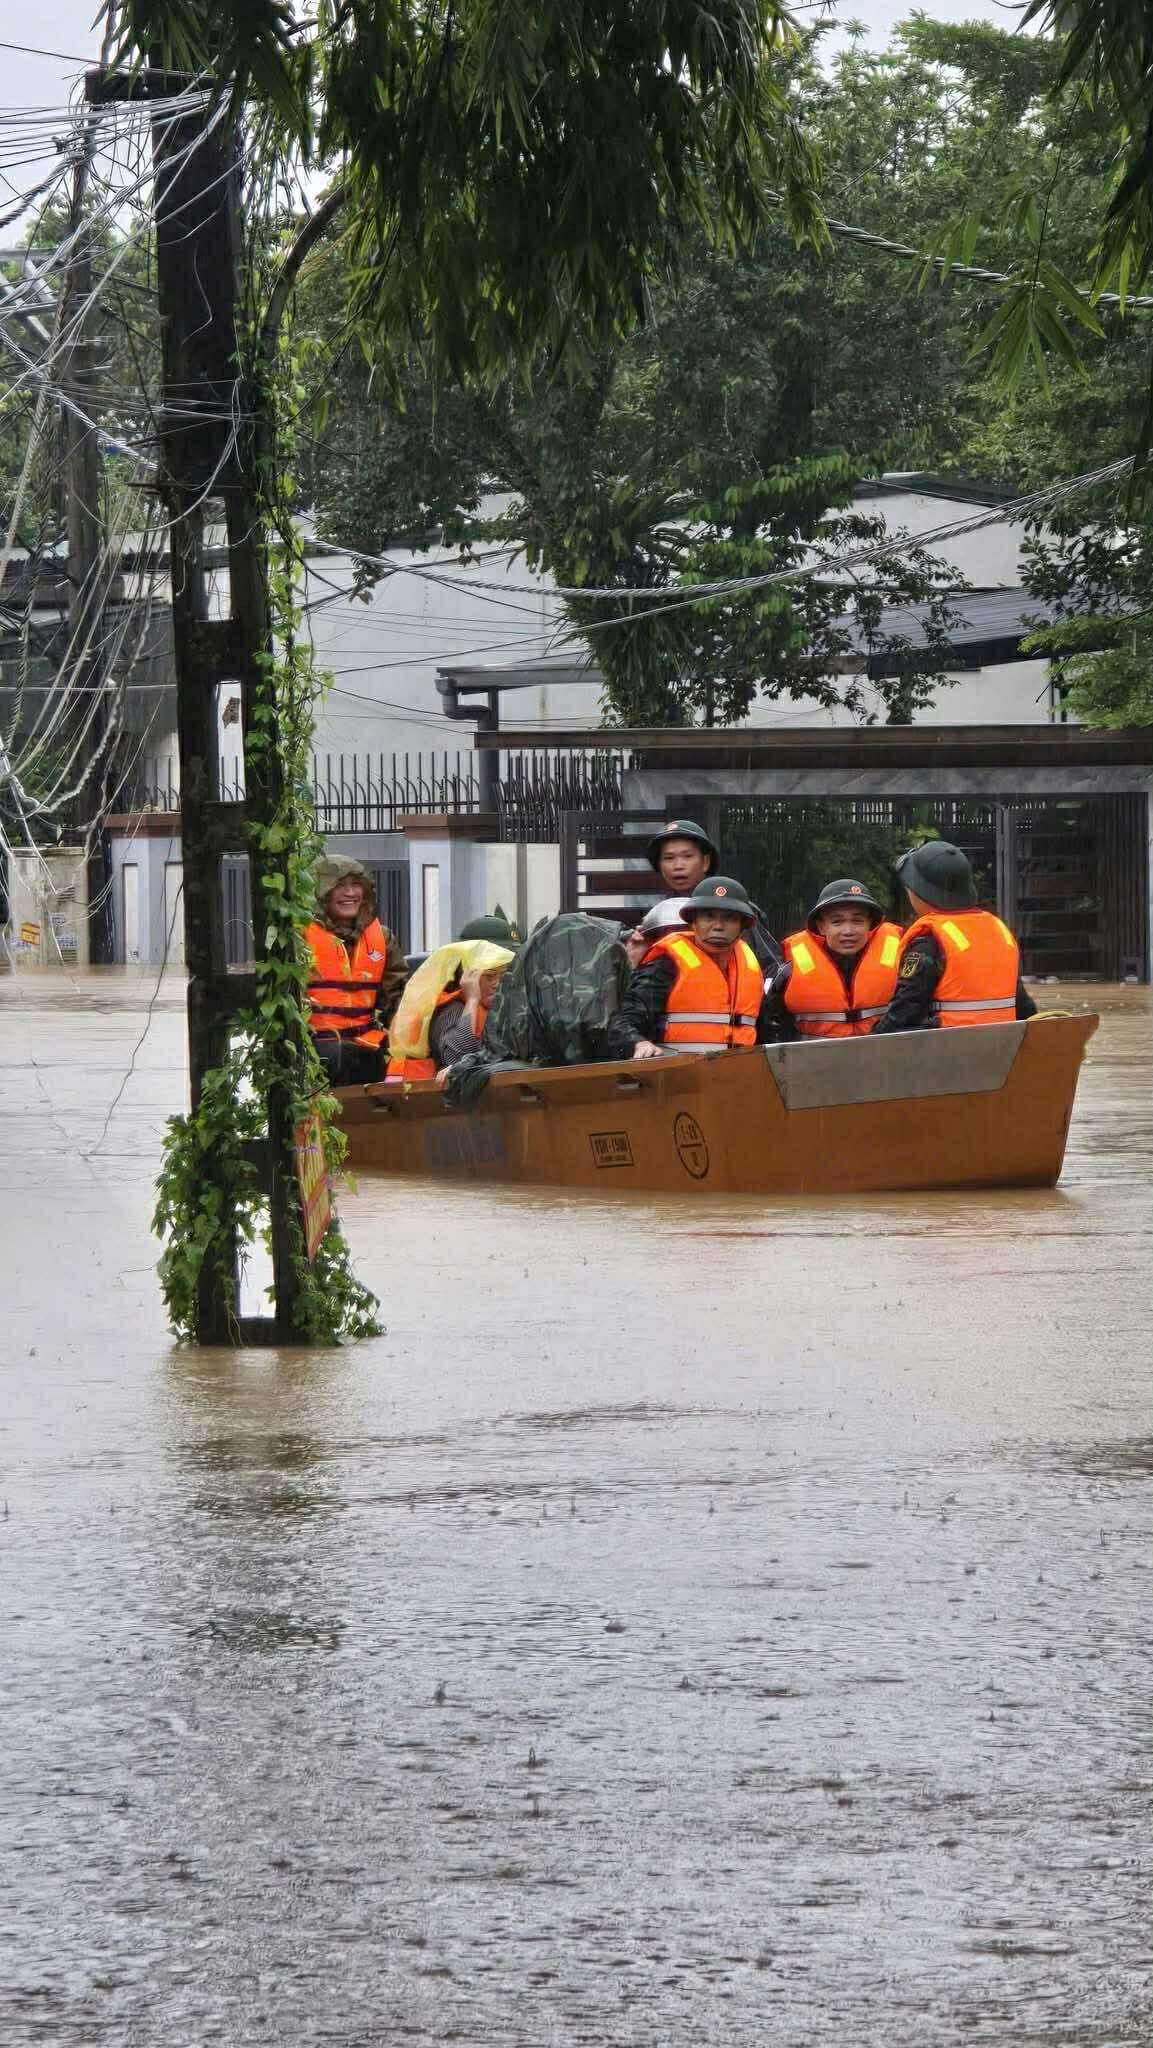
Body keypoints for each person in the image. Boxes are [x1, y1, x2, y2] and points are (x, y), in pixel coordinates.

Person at [873, 840, 1036, 1035]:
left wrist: (872, 1039)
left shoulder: (928, 940)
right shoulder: (998, 931)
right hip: (1001, 1046)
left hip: (950, 1051)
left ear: (919, 892)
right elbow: (1023, 1005)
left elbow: (905, 1010)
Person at [607, 876, 769, 1061]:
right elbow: (623, 1023)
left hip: (737, 1080)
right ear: (693, 923)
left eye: (729, 918)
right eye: (708, 916)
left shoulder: (750, 966)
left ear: (742, 926)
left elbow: (765, 1033)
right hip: (681, 1082)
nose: (718, 926)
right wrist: (638, 1043)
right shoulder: (666, 963)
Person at [304, 856, 408, 1084]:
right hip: (315, 1051)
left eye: (356, 885)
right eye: (340, 885)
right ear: (321, 893)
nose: (350, 893)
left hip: (367, 1048)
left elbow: (398, 1000)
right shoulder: (300, 937)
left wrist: (409, 1044)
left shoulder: (383, 938)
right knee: (340, 1056)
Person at [769, 879, 902, 1040]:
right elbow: (772, 1023)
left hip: (882, 1057)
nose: (848, 931)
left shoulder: (902, 962)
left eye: (858, 921)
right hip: (815, 1060)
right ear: (821, 927)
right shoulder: (788, 971)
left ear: (870, 924)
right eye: (837, 922)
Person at [646, 820, 782, 974]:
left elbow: (772, 968)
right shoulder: (658, 917)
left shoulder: (734, 908)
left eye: (687, 856)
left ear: (705, 862)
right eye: (669, 858)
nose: (678, 866)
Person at [385, 940, 514, 1081]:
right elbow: (456, 1058)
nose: (497, 984)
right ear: (467, 979)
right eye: (489, 976)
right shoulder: (450, 1010)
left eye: (502, 976)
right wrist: (472, 999)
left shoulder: (501, 1010)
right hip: (436, 1097)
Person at [623, 897, 693, 970]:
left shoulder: (697, 961)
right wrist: (634, 959)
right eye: (663, 932)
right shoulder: (653, 970)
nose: (672, 937)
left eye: (680, 930)